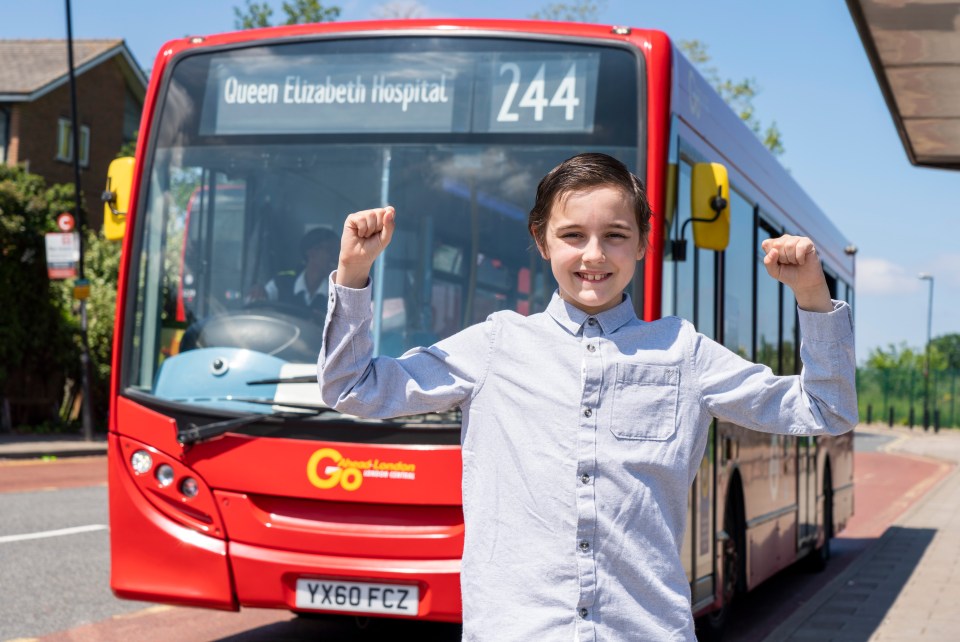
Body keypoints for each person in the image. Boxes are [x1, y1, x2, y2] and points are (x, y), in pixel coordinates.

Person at [318, 153, 857, 641]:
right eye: (573, 234)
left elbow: (826, 410)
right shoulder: (494, 345)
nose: (593, 255)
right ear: (541, 240)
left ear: (645, 241)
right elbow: (352, 387)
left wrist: (811, 295)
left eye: (616, 235)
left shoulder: (682, 352)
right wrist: (354, 273)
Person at [249, 226, 338, 321]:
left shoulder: (339, 291)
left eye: (339, 252)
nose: (336, 257)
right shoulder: (281, 283)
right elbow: (255, 305)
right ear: (312, 253)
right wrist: (258, 292)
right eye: (331, 251)